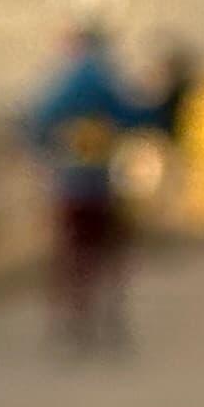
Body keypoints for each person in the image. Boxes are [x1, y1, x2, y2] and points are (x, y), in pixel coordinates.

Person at [27, 26, 156, 354]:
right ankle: (108, 319)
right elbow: (137, 117)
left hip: (69, 186)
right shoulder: (106, 80)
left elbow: (35, 124)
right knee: (109, 254)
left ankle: (72, 320)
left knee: (70, 255)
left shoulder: (64, 84)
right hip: (103, 186)